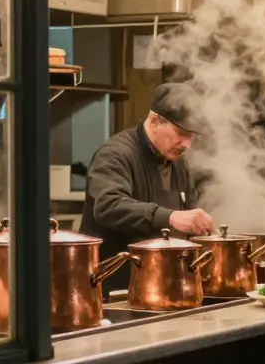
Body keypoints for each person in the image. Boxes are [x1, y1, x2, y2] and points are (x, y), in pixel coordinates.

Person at [80, 82, 216, 294]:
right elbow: (109, 206)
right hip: (112, 292)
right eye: (181, 132)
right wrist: (170, 217)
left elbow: (188, 217)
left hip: (162, 288)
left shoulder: (179, 163)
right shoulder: (115, 155)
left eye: (191, 136)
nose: (187, 144)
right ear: (154, 122)